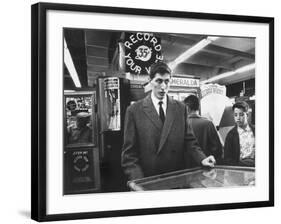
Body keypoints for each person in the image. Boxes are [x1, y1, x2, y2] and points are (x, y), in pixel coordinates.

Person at [121, 62, 216, 181]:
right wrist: (139, 181)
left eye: (167, 81)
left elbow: (189, 141)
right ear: (150, 81)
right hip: (149, 181)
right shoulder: (134, 111)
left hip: (176, 178)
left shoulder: (180, 108)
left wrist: (202, 158)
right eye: (159, 81)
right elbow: (129, 156)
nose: (163, 87)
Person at [183, 95, 223, 165]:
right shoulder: (208, 123)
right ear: (198, 107)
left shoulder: (182, 124)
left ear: (187, 108)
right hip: (206, 166)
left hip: (186, 168)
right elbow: (217, 149)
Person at [223, 101, 255, 167]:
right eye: (235, 115)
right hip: (240, 168)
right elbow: (227, 158)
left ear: (247, 115)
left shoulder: (256, 130)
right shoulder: (231, 135)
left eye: (241, 114)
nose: (238, 118)